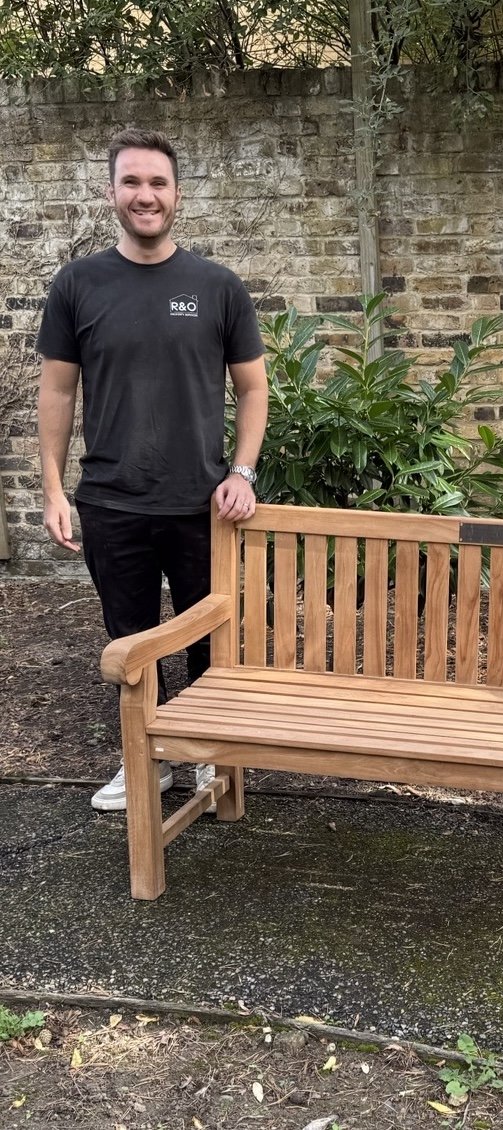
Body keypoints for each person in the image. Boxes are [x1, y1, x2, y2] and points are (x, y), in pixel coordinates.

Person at [37, 127, 268, 812]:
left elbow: (253, 389)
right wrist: (52, 487)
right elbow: (56, 390)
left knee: (207, 640)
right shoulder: (78, 284)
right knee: (130, 642)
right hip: (112, 502)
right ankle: (144, 761)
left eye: (158, 183)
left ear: (177, 194)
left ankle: (200, 755)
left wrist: (243, 472)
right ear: (111, 193)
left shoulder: (216, 286)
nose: (146, 195)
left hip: (203, 503)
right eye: (132, 182)